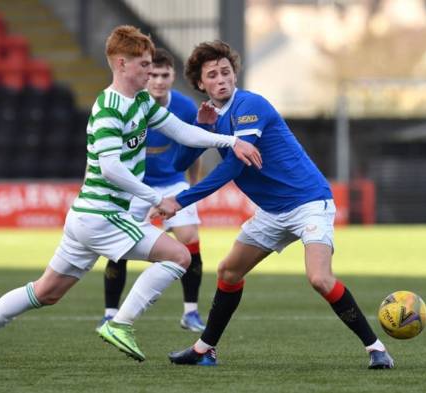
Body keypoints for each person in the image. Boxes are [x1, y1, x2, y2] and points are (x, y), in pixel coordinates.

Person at [0, 25, 261, 367]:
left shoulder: (140, 101)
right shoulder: (108, 109)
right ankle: (120, 324)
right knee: (179, 256)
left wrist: (229, 141)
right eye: (142, 65)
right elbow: (111, 169)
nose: (148, 72)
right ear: (121, 64)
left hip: (88, 216)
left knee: (46, 291)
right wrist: (154, 197)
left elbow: (180, 130)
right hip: (102, 215)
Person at [157, 40, 394, 369]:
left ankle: (376, 349)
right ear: (200, 83)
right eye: (212, 74)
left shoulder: (250, 106)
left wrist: (179, 200)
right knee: (228, 271)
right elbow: (180, 160)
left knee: (319, 279)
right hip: (272, 212)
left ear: (235, 75)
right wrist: (203, 128)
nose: (221, 78)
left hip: (309, 202)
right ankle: (204, 349)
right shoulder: (215, 116)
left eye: (226, 71)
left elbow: (235, 166)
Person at [98, 48, 206, 333]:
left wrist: (191, 189)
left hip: (172, 182)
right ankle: (110, 313)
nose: (158, 80)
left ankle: (191, 313)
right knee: (117, 248)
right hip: (136, 185)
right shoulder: (130, 104)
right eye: (154, 74)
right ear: (146, 75)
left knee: (190, 238)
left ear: (172, 76)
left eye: (164, 75)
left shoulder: (184, 107)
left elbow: (193, 149)